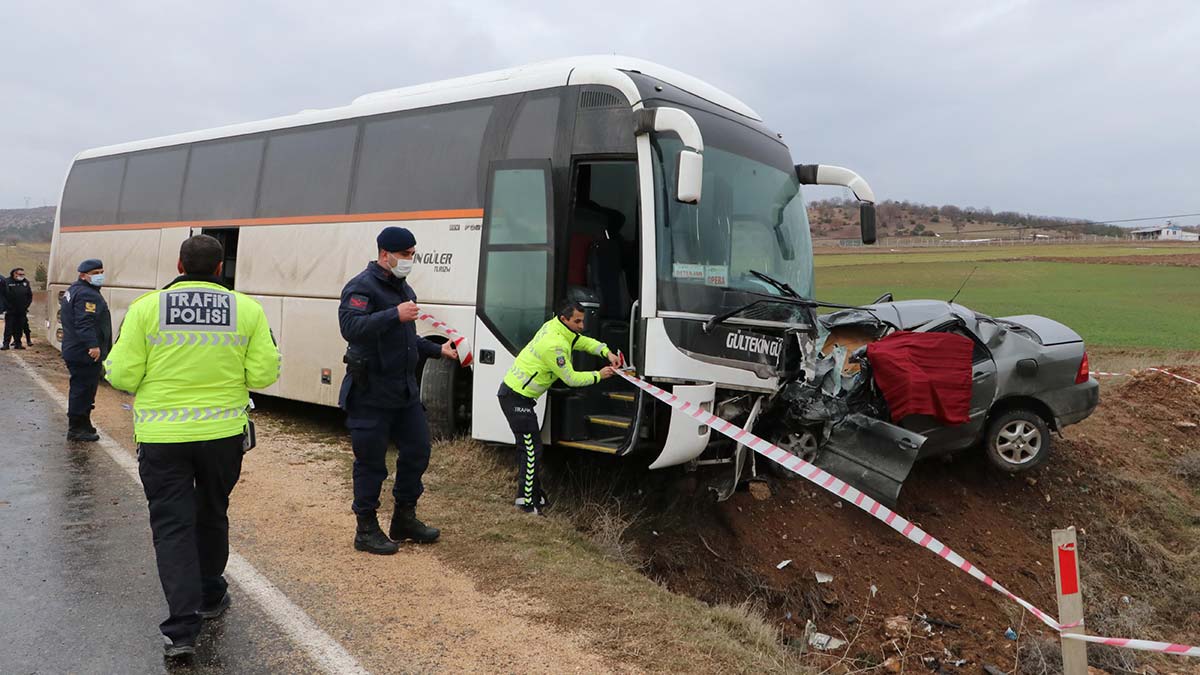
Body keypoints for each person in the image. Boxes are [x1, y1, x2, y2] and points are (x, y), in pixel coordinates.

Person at [104, 235, 280, 659]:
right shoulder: (247, 309)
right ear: (221, 269)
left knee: (173, 526)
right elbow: (264, 373)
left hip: (163, 439)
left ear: (180, 265)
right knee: (213, 511)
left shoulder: (147, 309)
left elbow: (124, 375)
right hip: (222, 437)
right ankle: (212, 593)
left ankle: (181, 630)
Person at [339, 226, 460, 555]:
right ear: (384, 255)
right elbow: (350, 328)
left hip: (404, 393)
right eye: (405, 255)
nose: (410, 260)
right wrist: (394, 314)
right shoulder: (361, 287)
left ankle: (404, 519)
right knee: (371, 463)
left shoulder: (403, 288)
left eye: (412, 254)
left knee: (419, 450)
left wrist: (438, 350)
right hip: (371, 392)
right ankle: (365, 529)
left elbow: (406, 341)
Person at [498, 300, 620, 514]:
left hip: (521, 397)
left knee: (532, 448)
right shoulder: (554, 344)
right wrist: (599, 375)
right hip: (515, 397)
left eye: (583, 320)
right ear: (565, 319)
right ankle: (526, 502)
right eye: (577, 321)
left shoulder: (558, 327)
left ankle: (534, 495)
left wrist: (606, 352)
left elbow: (583, 342)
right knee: (530, 449)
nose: (582, 325)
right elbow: (571, 379)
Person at [59, 259, 112, 442]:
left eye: (101, 271)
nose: (100, 276)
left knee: (84, 389)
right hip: (83, 352)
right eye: (96, 272)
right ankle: (76, 428)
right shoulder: (87, 294)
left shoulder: (75, 289)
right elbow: (84, 322)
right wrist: (93, 345)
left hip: (74, 348)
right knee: (83, 390)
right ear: (83, 275)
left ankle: (84, 423)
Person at [2, 267, 33, 350]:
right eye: (20, 274)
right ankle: (6, 344)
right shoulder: (7, 282)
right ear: (14, 274)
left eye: (23, 274)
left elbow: (29, 296)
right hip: (10, 310)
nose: (22, 276)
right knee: (9, 328)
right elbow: (3, 295)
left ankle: (18, 344)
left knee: (19, 328)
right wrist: (7, 306)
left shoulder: (25, 282)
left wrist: (26, 305)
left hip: (22, 310)